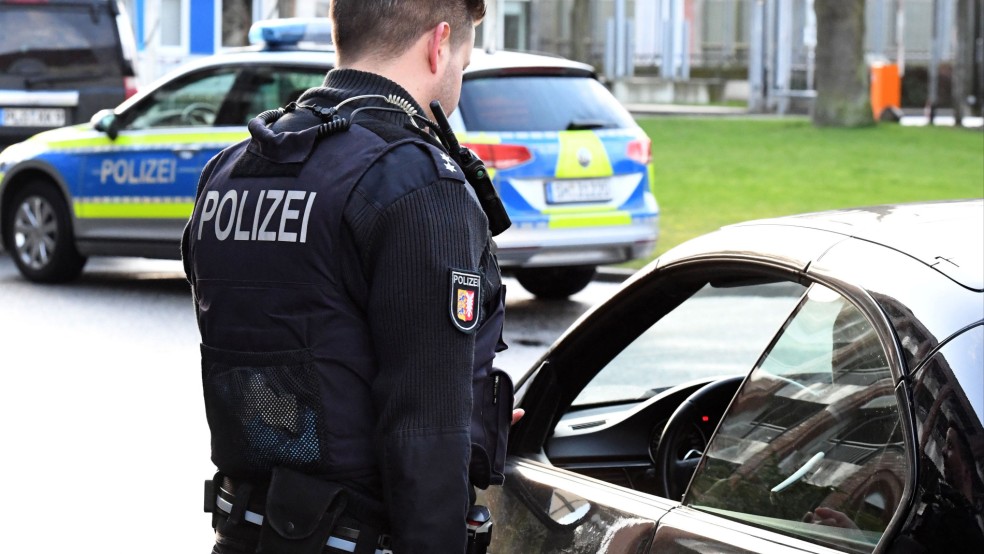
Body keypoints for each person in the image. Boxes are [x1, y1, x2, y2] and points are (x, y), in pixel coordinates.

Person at [181, 1, 516, 552]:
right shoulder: (416, 182)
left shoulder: (231, 170)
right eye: (463, 59)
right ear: (439, 44)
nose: (459, 75)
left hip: (243, 532)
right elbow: (424, 434)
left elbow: (279, 347)